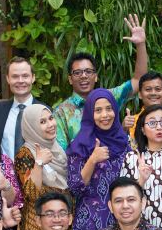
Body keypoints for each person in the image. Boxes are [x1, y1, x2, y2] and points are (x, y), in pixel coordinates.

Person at [54, 14, 149, 150]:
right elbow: (61, 154)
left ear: (96, 76)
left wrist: (140, 45)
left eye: (88, 71)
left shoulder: (109, 97)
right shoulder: (61, 112)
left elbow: (139, 80)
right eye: (77, 73)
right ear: (70, 79)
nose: (84, 76)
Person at [66, 89, 130, 230]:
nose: (105, 115)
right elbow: (75, 188)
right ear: (89, 114)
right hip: (90, 224)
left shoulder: (124, 142)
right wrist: (92, 160)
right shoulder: (80, 145)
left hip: (123, 221)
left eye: (109, 109)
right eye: (98, 110)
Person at [14, 104, 70, 230]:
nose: (50, 124)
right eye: (42, 122)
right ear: (31, 127)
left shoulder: (59, 149)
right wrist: (39, 163)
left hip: (62, 223)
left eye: (51, 118)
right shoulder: (25, 153)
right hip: (38, 227)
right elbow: (31, 194)